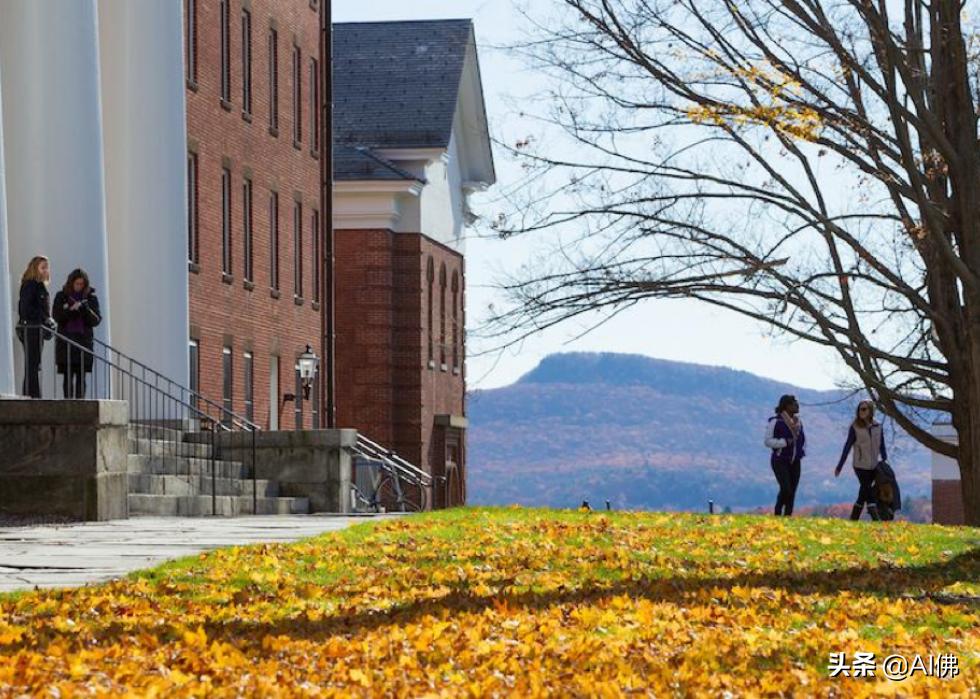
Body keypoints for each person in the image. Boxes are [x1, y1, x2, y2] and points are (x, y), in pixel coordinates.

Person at [52, 269, 102, 399]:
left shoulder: (91, 299)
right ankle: (67, 405)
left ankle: (80, 405)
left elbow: (96, 320)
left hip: (83, 344)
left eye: (82, 284)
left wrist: (85, 309)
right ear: (71, 283)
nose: (79, 287)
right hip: (66, 344)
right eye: (77, 284)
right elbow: (56, 316)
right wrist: (71, 311)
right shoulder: (61, 296)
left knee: (81, 377)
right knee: (67, 377)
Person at [834, 400, 886, 521]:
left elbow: (882, 444)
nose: (861, 412)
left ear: (871, 410)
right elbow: (847, 446)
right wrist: (839, 466)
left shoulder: (878, 426)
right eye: (859, 409)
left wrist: (884, 459)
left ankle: (854, 518)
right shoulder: (855, 427)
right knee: (867, 488)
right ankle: (875, 518)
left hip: (873, 465)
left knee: (864, 491)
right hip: (860, 465)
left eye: (864, 409)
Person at [16, 256, 53, 398]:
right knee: (32, 364)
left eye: (46, 267)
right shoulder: (30, 285)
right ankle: (32, 396)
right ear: (35, 268)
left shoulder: (40, 286)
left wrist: (48, 320)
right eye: (42, 267)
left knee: (35, 364)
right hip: (30, 329)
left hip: (37, 329)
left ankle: (33, 395)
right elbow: (25, 309)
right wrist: (45, 318)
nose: (46, 270)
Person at [764, 394, 806, 516]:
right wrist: (784, 442)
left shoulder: (799, 423)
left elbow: (802, 440)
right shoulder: (775, 422)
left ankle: (787, 516)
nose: (797, 405)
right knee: (786, 489)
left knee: (792, 491)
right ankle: (777, 512)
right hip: (780, 460)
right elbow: (767, 441)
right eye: (794, 403)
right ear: (786, 406)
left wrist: (801, 451)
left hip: (795, 461)